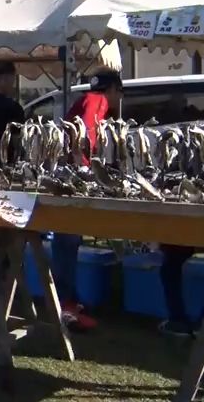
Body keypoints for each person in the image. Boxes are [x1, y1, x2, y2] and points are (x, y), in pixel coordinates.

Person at [51, 69, 124, 333]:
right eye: (120, 92)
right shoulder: (98, 101)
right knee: (67, 241)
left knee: (67, 241)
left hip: (67, 179)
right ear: (113, 89)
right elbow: (85, 137)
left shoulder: (87, 98)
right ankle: (64, 304)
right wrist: (87, 174)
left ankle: (67, 300)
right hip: (73, 183)